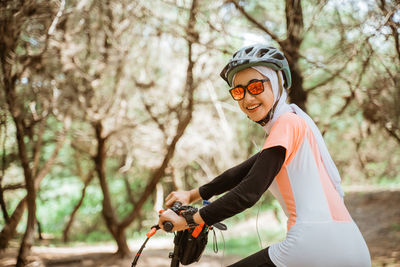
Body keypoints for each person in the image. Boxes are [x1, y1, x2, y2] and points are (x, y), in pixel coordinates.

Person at [158, 44, 371, 267]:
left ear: (278, 83)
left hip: (315, 244)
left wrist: (189, 220)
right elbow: (241, 172)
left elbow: (248, 192)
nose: (248, 98)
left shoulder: (286, 123)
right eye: (239, 91)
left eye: (256, 86)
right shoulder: (294, 123)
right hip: (350, 244)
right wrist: (192, 194)